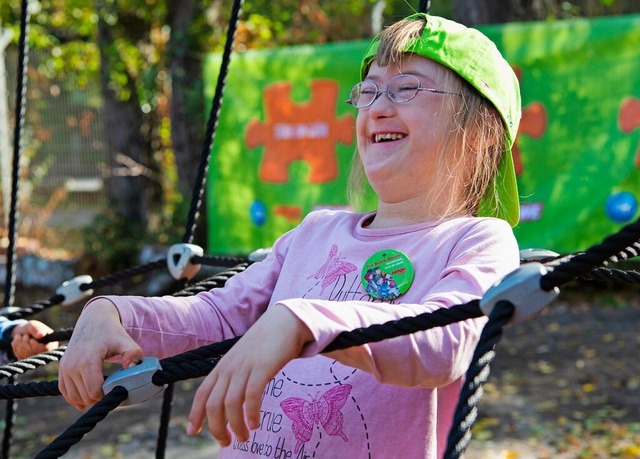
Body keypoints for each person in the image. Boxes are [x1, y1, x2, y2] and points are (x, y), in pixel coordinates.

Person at [59, 12, 522, 458]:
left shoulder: (479, 239)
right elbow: (218, 315)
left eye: (407, 88)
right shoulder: (316, 232)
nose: (378, 108)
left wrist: (302, 320)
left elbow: (444, 345)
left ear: (480, 130)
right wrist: (114, 312)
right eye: (369, 91)